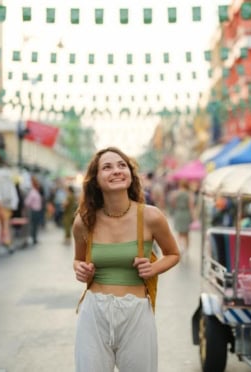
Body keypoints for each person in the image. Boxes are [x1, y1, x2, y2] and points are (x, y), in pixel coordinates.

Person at [72, 146, 180, 372]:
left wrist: (153, 268)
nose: (117, 171)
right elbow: (78, 260)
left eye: (122, 165)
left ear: (131, 176)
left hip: (136, 313)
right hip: (94, 312)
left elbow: (173, 254)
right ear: (96, 179)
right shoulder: (84, 221)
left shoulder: (150, 216)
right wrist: (81, 270)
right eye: (107, 167)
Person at [171, 179, 195, 252]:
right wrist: (193, 217)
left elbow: (173, 204)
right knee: (186, 233)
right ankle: (186, 248)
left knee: (179, 232)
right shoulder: (189, 194)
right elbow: (191, 206)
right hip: (186, 213)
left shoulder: (175, 193)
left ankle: (181, 247)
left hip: (178, 213)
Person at [24, 176, 44, 245]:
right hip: (34, 211)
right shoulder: (32, 192)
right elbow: (27, 202)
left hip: (37, 211)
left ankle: (34, 238)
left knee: (35, 225)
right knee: (33, 225)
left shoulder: (35, 192)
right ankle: (33, 238)